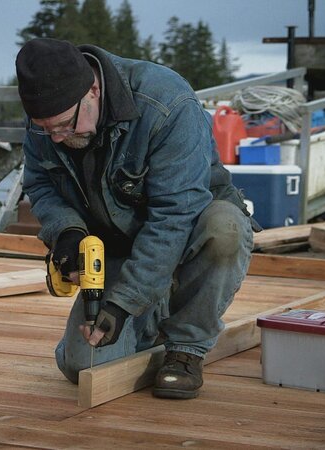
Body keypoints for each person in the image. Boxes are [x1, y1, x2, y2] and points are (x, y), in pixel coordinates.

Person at [15, 38, 259, 399]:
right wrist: (65, 230)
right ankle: (154, 320)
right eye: (46, 129)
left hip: (188, 227)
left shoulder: (167, 103)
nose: (58, 137)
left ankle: (185, 348)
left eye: (65, 125)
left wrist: (124, 302)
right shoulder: (49, 114)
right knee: (83, 368)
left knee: (224, 230)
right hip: (117, 241)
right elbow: (39, 183)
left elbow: (175, 216)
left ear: (93, 90)